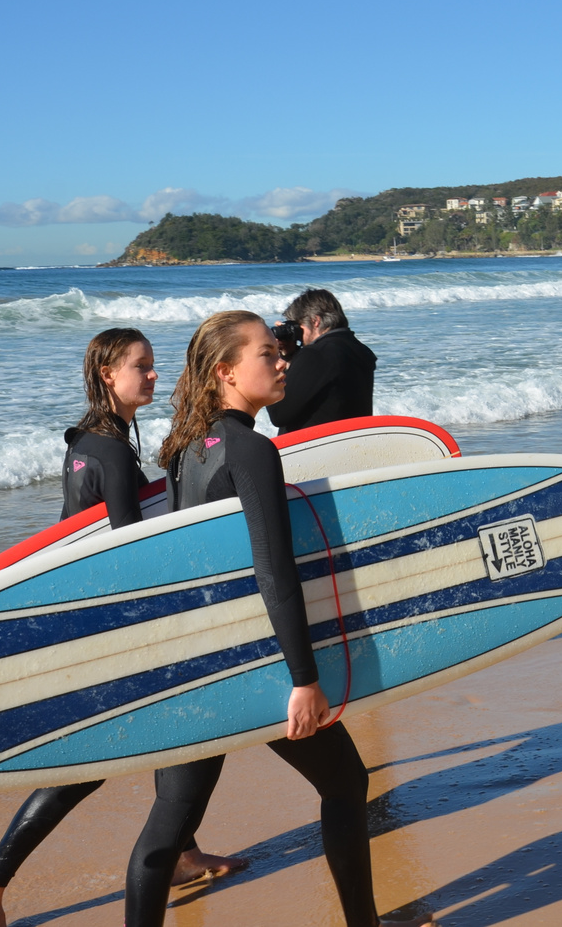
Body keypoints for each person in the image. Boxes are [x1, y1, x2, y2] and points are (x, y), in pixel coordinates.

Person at [130, 310, 429, 927]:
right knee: (345, 783)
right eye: (267, 353)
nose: (283, 360)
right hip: (258, 663)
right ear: (226, 370)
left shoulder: (187, 450)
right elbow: (274, 572)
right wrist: (303, 677)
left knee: (171, 821)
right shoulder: (251, 449)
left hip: (202, 661)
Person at [0, 327, 247, 927]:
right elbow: (128, 553)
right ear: (109, 374)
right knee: (91, 761)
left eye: (155, 366)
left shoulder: (89, 439)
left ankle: (183, 851)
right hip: (105, 625)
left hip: (81, 610)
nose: (154, 376)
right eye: (142, 367)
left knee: (179, 736)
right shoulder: (112, 450)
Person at [267, 288, 376, 433]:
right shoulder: (360, 350)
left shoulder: (316, 354)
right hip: (349, 442)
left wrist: (271, 358)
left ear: (315, 321)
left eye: (298, 325)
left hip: (312, 447)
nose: (297, 333)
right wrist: (289, 356)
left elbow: (279, 414)